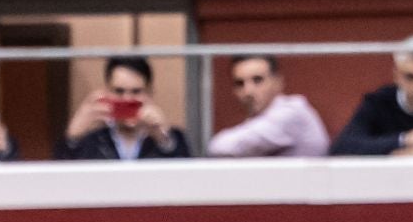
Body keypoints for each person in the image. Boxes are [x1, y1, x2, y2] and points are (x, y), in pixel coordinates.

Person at [57, 57, 192, 160]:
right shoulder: (92, 141)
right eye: (119, 91)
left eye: (136, 92)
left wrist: (164, 140)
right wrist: (72, 138)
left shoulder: (172, 139)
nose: (127, 99)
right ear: (107, 93)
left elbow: (188, 180)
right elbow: (60, 181)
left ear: (150, 93)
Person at [207, 55, 329, 158]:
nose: (248, 91)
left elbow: (221, 146)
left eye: (257, 80)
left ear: (278, 82)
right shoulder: (263, 118)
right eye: (240, 84)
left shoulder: (291, 113)